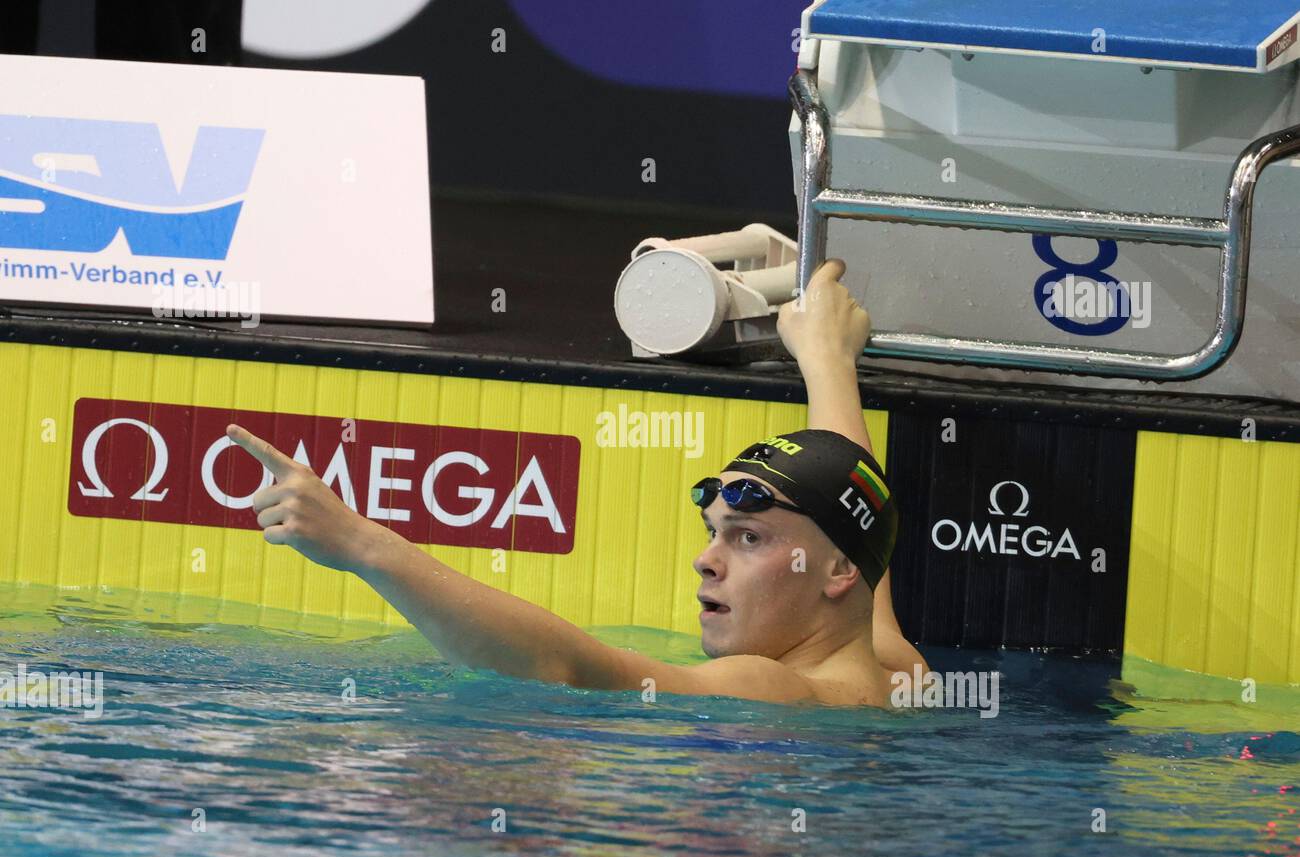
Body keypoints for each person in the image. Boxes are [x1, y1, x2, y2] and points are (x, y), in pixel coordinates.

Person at [226, 259, 927, 707]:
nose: (706, 559)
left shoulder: (768, 689)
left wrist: (360, 543)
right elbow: (861, 517)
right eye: (714, 532)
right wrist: (828, 360)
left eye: (747, 538)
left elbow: (569, 667)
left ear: (833, 571)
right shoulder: (898, 675)